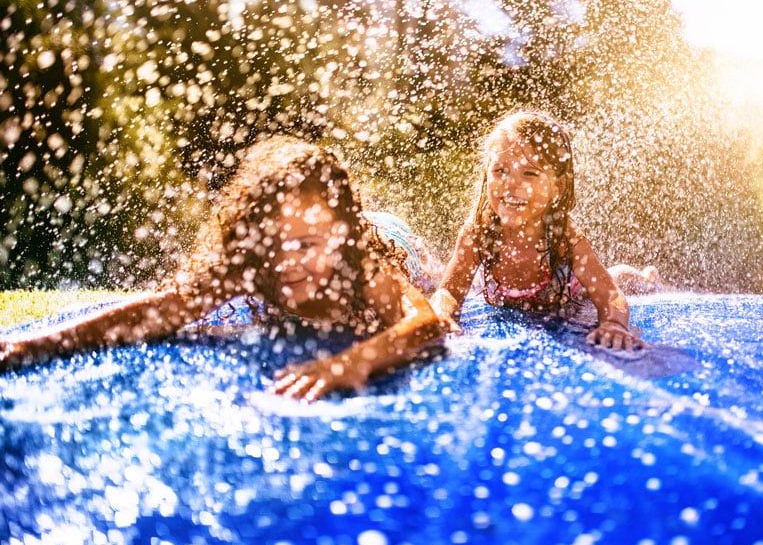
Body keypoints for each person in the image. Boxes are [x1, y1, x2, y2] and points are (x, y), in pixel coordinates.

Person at [0, 136, 444, 401]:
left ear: (339, 237)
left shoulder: (362, 262)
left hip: (391, 235)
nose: (287, 262)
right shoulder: (252, 264)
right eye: (273, 242)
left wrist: (351, 363)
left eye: (305, 244)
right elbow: (163, 309)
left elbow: (426, 320)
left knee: (431, 279)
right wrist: (35, 345)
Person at [430, 110, 660, 352]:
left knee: (620, 277)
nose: (510, 184)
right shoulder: (478, 233)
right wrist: (441, 314)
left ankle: (646, 277)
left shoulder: (562, 236)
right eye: (499, 171)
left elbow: (608, 294)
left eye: (529, 173)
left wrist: (614, 323)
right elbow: (448, 291)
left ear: (556, 187)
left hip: (575, 293)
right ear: (486, 177)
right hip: (514, 299)